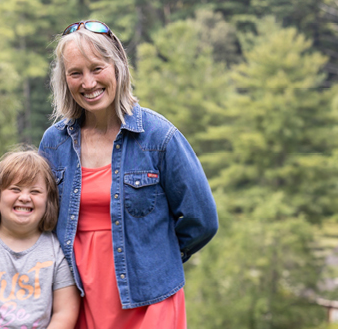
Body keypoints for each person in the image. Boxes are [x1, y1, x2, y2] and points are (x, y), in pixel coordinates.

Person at [37, 20, 219, 329]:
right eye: (76, 73)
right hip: (75, 296)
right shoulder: (54, 143)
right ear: (64, 79)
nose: (88, 82)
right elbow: (33, 213)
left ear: (118, 65)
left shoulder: (159, 137)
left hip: (151, 299)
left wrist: (154, 256)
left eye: (97, 68)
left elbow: (202, 220)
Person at [0, 149, 80, 329]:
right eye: (15, 189)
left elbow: (65, 311)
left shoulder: (57, 250)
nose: (25, 197)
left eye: (35, 191)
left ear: (49, 200)